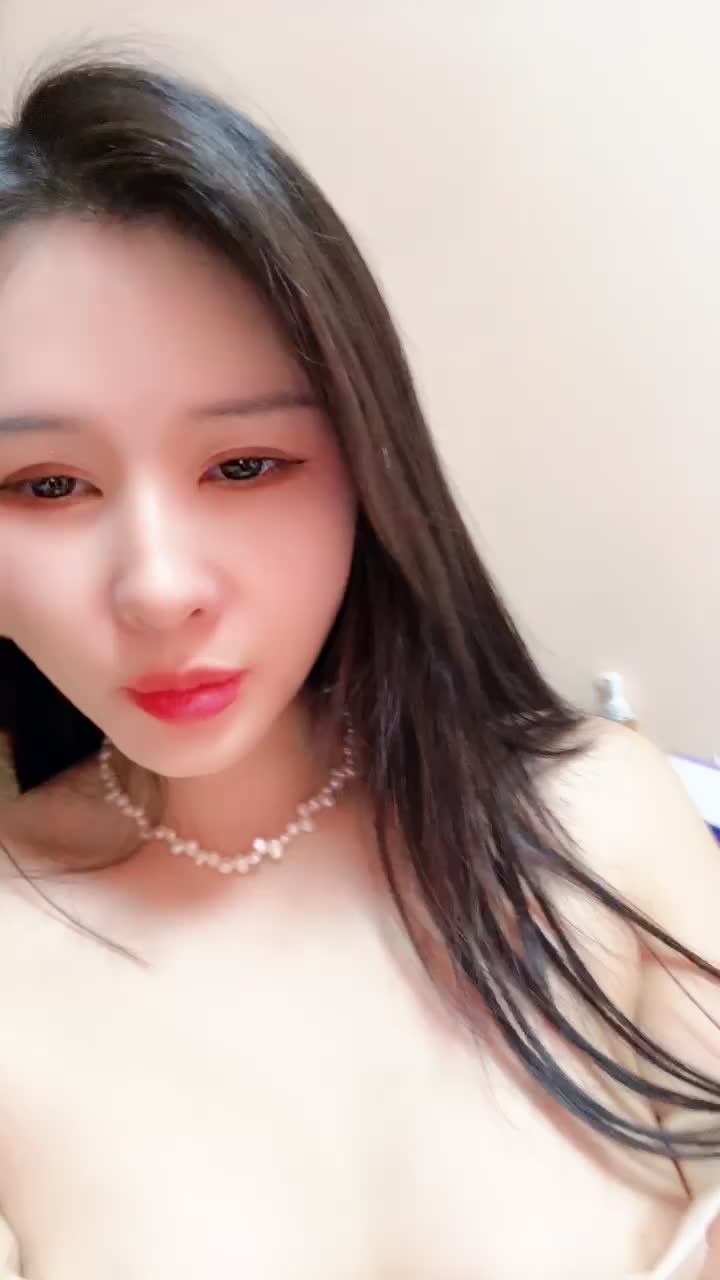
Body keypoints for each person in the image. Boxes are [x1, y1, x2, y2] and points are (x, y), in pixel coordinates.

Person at [0, 54, 718, 1280]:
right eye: (47, 484)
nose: (160, 586)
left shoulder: (597, 817)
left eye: (244, 465)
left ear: (368, 465)